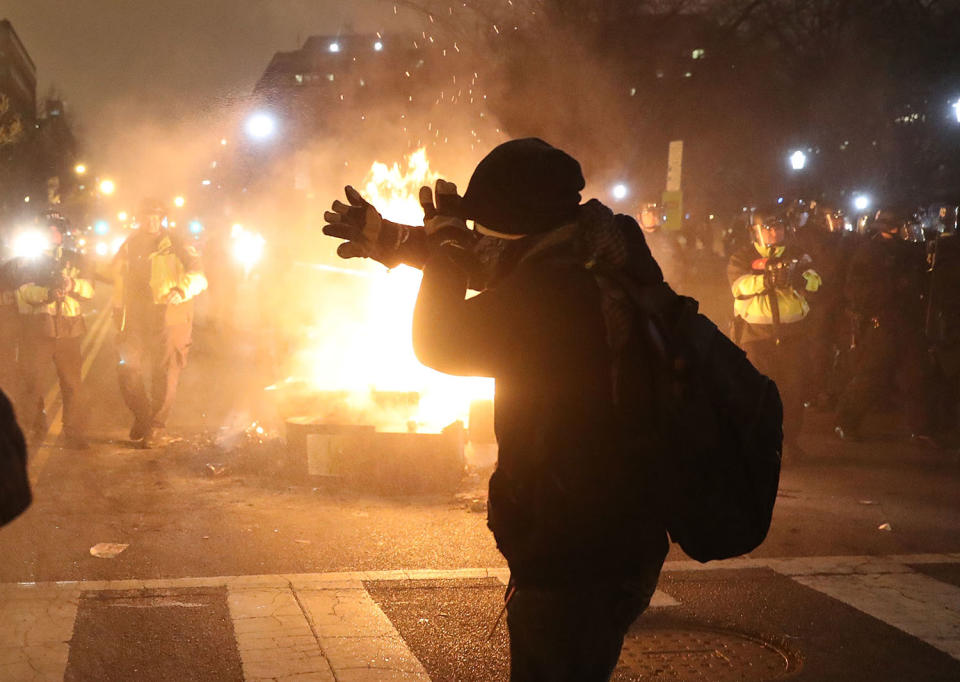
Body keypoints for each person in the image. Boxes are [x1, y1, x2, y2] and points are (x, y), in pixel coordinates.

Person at [324, 138, 668, 681]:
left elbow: (437, 340)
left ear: (516, 223)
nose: (477, 236)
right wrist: (391, 239)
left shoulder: (555, 296)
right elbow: (501, 265)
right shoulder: (588, 252)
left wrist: (448, 248)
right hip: (611, 529)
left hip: (575, 543)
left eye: (483, 226)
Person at [111, 198, 207, 448]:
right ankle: (143, 416)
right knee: (127, 369)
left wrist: (181, 289)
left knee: (165, 372)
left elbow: (198, 275)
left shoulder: (177, 243)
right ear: (139, 217)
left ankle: (156, 426)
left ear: (162, 218)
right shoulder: (130, 244)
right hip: (135, 317)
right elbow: (113, 272)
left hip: (170, 316)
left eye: (156, 216)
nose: (151, 220)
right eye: (146, 215)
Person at [728, 210, 821, 457]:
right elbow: (738, 286)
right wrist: (767, 280)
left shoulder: (797, 254)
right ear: (755, 232)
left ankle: (788, 442)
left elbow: (816, 280)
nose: (773, 232)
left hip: (793, 335)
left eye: (777, 227)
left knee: (793, 391)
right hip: (756, 336)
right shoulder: (743, 256)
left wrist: (799, 279)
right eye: (768, 228)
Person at [835, 209, 932, 443]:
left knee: (914, 376)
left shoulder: (908, 251)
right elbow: (855, 289)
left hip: (907, 322)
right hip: (882, 323)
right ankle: (846, 422)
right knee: (870, 376)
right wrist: (890, 288)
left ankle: (920, 428)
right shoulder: (870, 252)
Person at [11, 211, 93, 449]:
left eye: (56, 230)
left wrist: (72, 284)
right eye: (47, 230)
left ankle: (74, 432)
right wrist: (48, 294)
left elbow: (90, 290)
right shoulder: (29, 260)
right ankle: (35, 425)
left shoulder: (76, 258)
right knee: (31, 381)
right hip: (38, 329)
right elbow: (23, 292)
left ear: (63, 234)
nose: (52, 235)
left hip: (69, 330)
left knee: (72, 384)